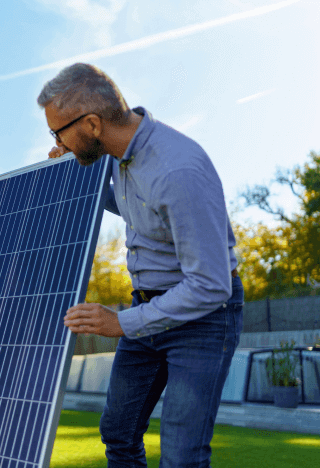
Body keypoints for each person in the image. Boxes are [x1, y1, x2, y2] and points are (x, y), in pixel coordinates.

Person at [37, 63, 244, 467]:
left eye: (59, 131)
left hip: (203, 319)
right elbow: (134, 205)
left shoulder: (178, 170)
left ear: (93, 123)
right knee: (118, 433)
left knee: (182, 455)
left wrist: (121, 323)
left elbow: (210, 285)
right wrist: (77, 168)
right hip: (147, 308)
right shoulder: (119, 155)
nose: (58, 141)